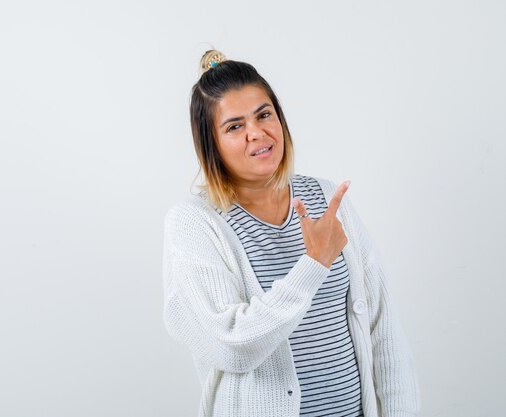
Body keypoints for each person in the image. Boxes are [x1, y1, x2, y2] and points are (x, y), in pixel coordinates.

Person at [161, 49, 421, 417]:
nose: (257, 133)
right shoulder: (195, 224)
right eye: (234, 126)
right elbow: (233, 346)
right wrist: (313, 264)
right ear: (211, 145)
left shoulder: (329, 198)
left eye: (264, 115)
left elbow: (383, 330)